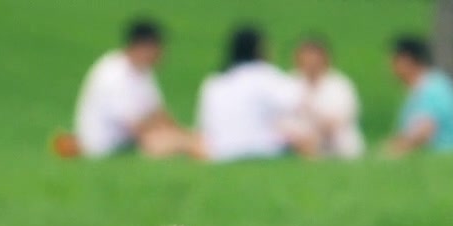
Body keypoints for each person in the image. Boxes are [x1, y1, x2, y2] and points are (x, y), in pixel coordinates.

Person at [64, 18, 200, 158]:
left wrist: (180, 133)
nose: (163, 53)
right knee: (160, 143)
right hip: (106, 147)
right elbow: (135, 126)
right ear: (143, 47)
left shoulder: (143, 71)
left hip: (128, 141)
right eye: (159, 47)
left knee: (176, 138)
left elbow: (158, 112)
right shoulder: (113, 73)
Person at [196, 25, 307, 163]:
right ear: (259, 49)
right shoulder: (264, 74)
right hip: (262, 149)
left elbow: (204, 126)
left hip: (219, 151)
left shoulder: (214, 82)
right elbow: (295, 101)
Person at [383, 36, 453, 156]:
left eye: (394, 60)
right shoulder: (433, 84)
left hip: (440, 157)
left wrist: (391, 152)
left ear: (406, 61)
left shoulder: (431, 90)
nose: (389, 66)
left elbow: (423, 131)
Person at [289, 36, 364, 159]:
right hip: (298, 143)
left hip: (336, 144)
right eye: (306, 57)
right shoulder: (290, 83)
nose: (310, 62)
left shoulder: (339, 85)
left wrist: (314, 136)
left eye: (314, 58)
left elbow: (340, 119)